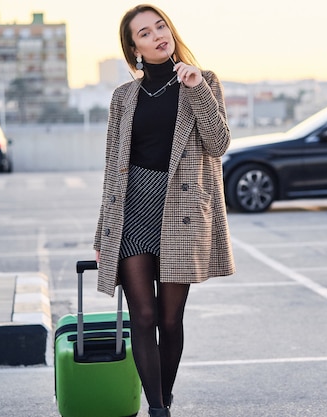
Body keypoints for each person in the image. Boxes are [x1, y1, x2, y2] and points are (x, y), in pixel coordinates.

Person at [93, 4, 235, 417]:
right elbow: (111, 167)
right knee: (143, 313)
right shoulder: (123, 96)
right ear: (134, 48)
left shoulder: (202, 81)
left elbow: (219, 144)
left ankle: (165, 394)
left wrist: (196, 89)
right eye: (145, 33)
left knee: (170, 320)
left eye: (161, 26)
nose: (158, 35)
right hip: (132, 209)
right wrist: (103, 231)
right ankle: (157, 409)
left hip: (181, 211)